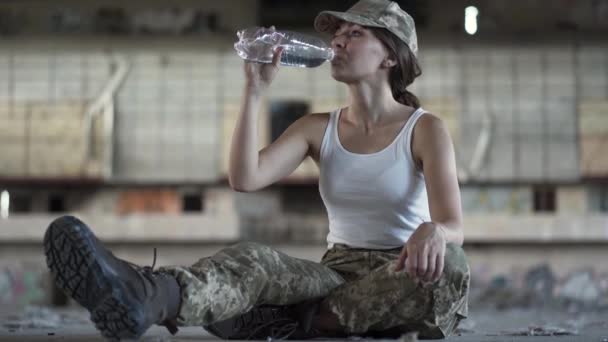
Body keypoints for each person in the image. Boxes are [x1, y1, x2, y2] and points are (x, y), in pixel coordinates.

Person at [43, 0, 470, 340]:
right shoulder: (317, 128)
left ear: (390, 57)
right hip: (336, 274)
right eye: (338, 35)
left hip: (402, 271)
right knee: (256, 260)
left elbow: (453, 226)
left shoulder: (425, 129)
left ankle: (290, 320)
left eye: (354, 34)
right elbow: (246, 178)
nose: (337, 43)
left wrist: (435, 231)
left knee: (452, 266)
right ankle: (145, 297)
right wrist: (254, 90)